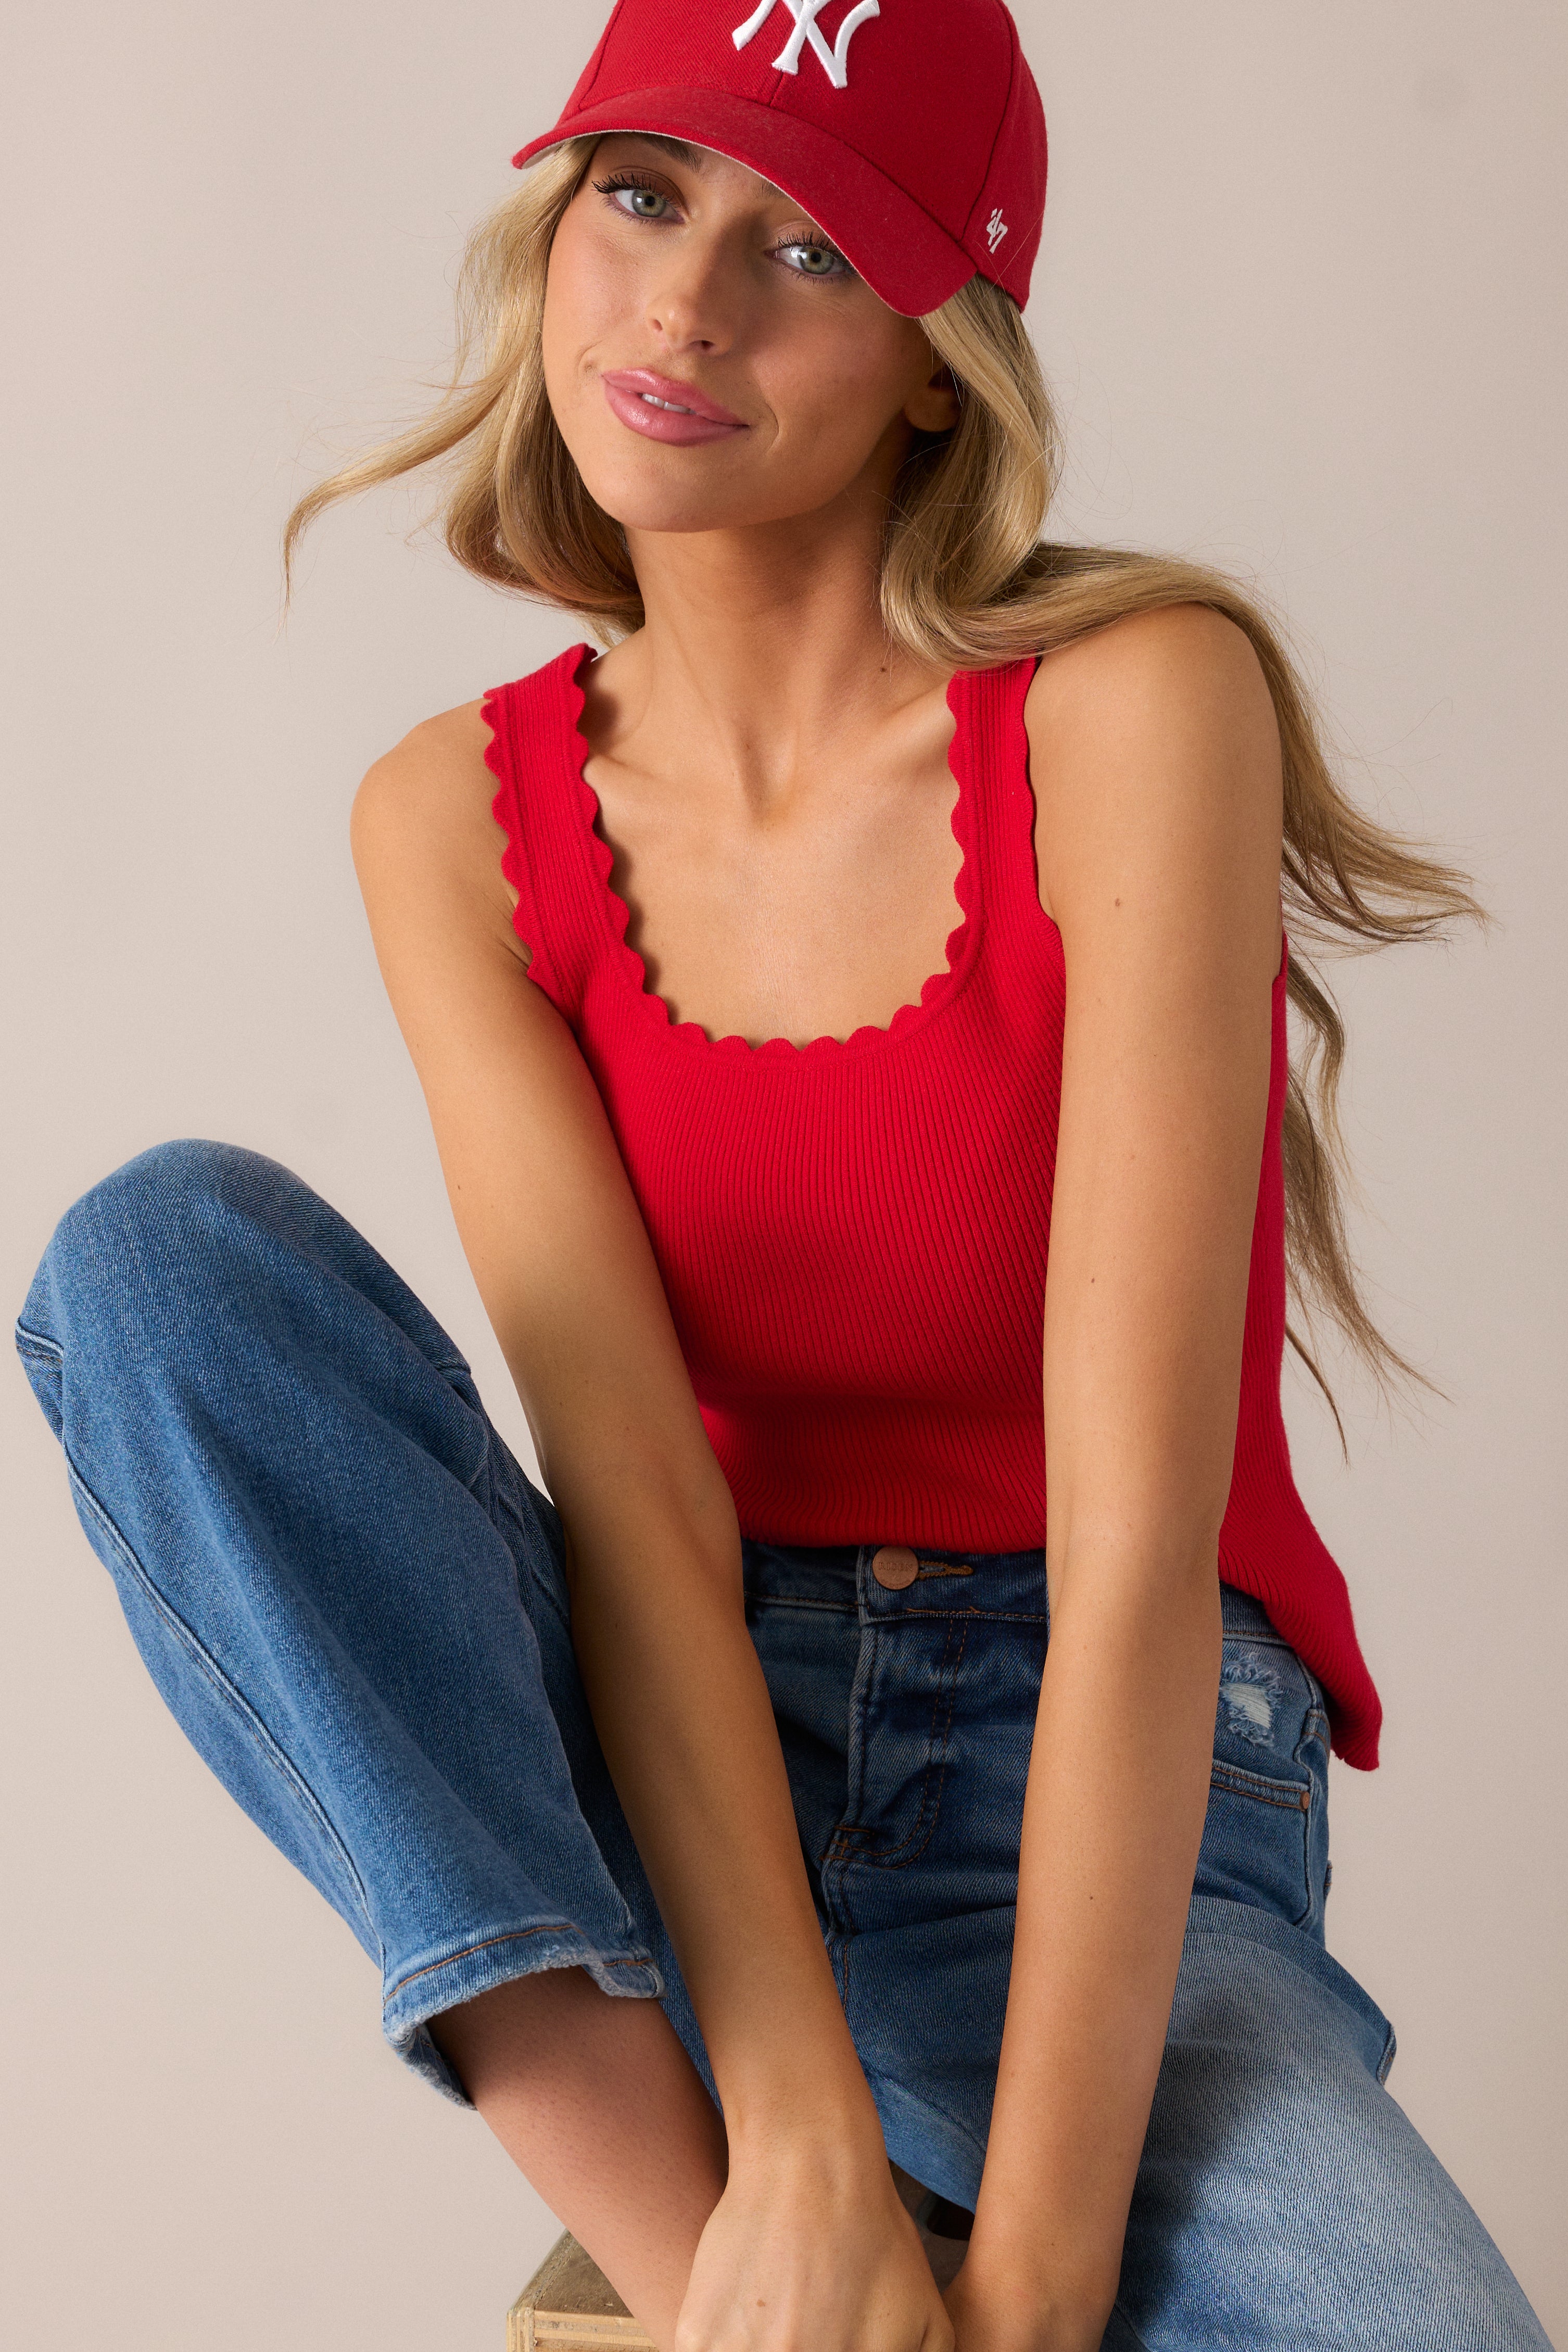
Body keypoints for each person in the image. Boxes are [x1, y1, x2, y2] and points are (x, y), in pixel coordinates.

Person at [15, 3, 1553, 2348]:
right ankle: (701, 2244)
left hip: (1105, 1816)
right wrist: (805, 2132)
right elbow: (628, 1486)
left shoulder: (1143, 706)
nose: (687, 304)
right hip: (669, 1775)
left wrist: (1028, 2286)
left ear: (941, 365)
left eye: (810, 248)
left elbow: (1141, 1539)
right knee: (159, 1265)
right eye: (641, 193)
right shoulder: (456, 817)